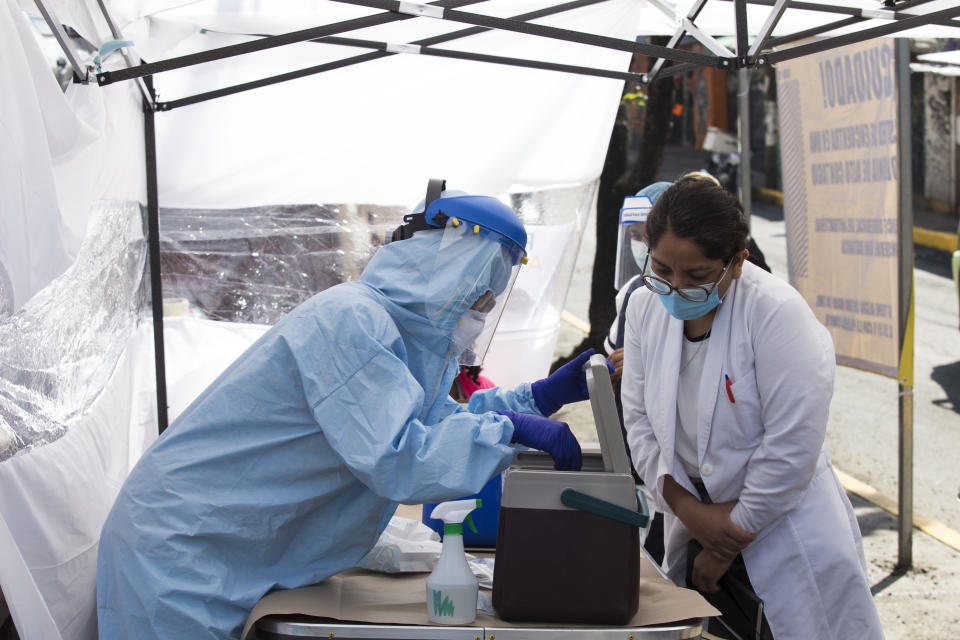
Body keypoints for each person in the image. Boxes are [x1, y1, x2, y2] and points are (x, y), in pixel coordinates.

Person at [96, 181, 608, 640]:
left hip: (227, 549)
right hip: (183, 549)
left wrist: (534, 400)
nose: (479, 314)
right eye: (478, 297)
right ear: (443, 271)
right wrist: (511, 428)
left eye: (488, 303)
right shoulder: (350, 321)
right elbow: (400, 457)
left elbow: (431, 424)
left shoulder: (405, 342)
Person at [619, 176, 884, 639]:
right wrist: (690, 512)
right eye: (662, 270)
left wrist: (726, 541)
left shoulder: (778, 315)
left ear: (737, 263)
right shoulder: (644, 309)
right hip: (695, 520)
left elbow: (792, 446)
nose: (676, 288)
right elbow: (640, 425)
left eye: (697, 276)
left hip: (785, 529)